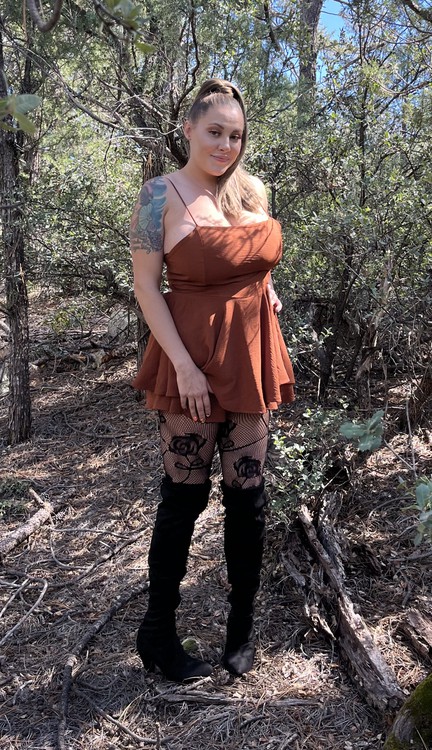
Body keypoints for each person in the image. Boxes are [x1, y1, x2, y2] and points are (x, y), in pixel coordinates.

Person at [130, 78, 295, 682]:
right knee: (184, 497)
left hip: (250, 356)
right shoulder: (159, 195)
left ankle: (241, 629)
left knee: (248, 498)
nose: (226, 145)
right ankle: (157, 634)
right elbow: (147, 287)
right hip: (190, 359)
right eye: (215, 132)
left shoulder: (252, 190)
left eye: (236, 135)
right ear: (189, 131)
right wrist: (183, 367)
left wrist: (265, 290)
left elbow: (255, 259)